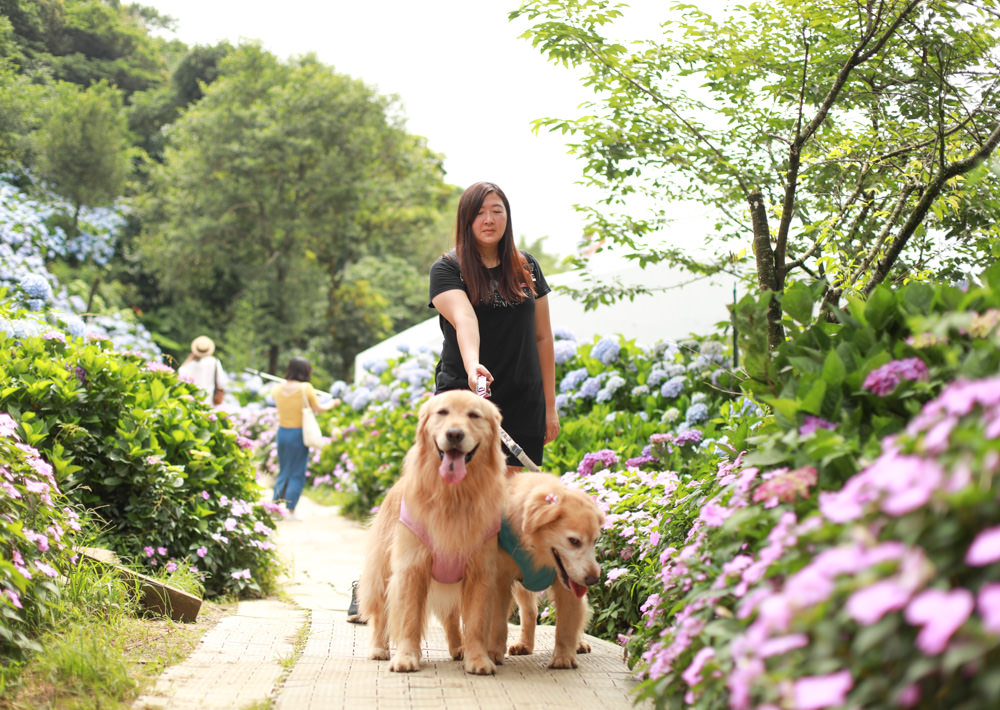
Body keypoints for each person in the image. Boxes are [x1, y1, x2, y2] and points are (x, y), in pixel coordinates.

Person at [429, 180, 560, 475]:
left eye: (497, 211)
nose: (489, 219)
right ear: (466, 219)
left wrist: (549, 408)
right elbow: (465, 319)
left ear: (507, 217)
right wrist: (474, 365)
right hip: (467, 398)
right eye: (479, 212)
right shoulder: (447, 268)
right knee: (464, 494)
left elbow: (542, 338)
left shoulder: (527, 266)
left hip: (521, 399)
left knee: (508, 503)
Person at [271, 356, 335, 521]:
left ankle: (275, 507)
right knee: (297, 472)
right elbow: (318, 408)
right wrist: (333, 404)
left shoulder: (277, 388)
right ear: (305, 371)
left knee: (284, 470)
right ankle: (291, 510)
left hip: (282, 433)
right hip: (299, 434)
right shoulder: (306, 388)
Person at [177, 336, 228, 407]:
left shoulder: (192, 363)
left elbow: (181, 372)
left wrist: (189, 358)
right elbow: (221, 380)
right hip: (209, 396)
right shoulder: (214, 361)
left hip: (193, 395)